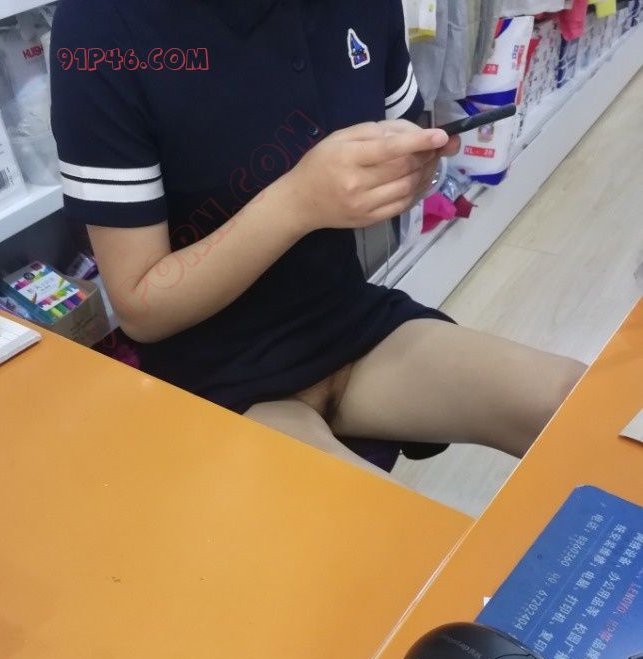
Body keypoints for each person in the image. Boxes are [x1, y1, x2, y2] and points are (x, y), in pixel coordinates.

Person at [50, 0, 585, 479]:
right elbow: (141, 305)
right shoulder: (100, 26)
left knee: (583, 413)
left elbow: (395, 133)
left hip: (347, 324)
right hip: (213, 377)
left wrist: (408, 169)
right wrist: (297, 202)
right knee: (387, 542)